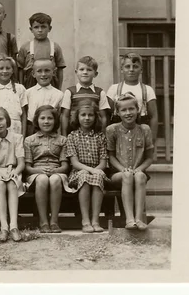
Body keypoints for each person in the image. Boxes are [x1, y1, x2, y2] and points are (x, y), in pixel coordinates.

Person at [106, 93, 154, 231]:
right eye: (124, 110)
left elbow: (150, 157)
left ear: (137, 109)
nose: (128, 113)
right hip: (118, 174)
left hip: (138, 172)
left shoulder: (144, 129)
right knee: (127, 175)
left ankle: (139, 219)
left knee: (139, 176)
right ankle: (129, 219)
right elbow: (111, 156)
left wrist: (140, 168)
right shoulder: (112, 130)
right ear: (118, 112)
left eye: (131, 109)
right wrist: (122, 169)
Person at [24, 105, 74, 233]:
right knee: (42, 179)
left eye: (50, 118)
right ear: (37, 120)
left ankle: (54, 220)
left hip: (57, 171)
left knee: (55, 180)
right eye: (42, 118)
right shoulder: (29, 140)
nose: (46, 121)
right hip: (36, 173)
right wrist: (39, 171)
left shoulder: (62, 140)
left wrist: (55, 171)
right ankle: (43, 221)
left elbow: (65, 166)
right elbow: (28, 167)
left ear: (55, 120)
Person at [66, 101, 109, 233]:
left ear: (95, 117)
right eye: (83, 115)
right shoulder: (72, 136)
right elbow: (74, 162)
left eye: (90, 115)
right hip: (78, 173)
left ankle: (95, 220)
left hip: (97, 171)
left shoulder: (100, 136)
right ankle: (85, 220)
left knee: (96, 177)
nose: (87, 118)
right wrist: (91, 170)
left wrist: (97, 170)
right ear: (77, 117)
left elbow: (103, 161)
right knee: (85, 176)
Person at [0, 106, 25, 242]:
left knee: (12, 183)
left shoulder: (17, 138)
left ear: (7, 120)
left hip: (13, 171)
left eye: (1, 119)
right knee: (1, 184)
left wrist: (14, 173)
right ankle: (4, 227)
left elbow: (21, 164)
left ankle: (14, 226)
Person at [106, 52, 159, 145]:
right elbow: (107, 115)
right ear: (122, 69)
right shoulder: (114, 89)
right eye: (127, 66)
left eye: (135, 66)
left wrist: (152, 139)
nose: (131, 70)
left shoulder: (147, 90)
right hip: (119, 133)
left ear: (141, 70)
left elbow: (154, 117)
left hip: (140, 132)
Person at [60, 56, 110, 136]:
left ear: (95, 74)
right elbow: (65, 116)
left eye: (89, 70)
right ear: (76, 72)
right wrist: (64, 135)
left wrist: (103, 134)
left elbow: (103, 117)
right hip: (74, 134)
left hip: (94, 135)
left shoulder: (100, 92)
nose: (85, 72)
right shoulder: (70, 92)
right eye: (82, 69)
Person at [16, 12, 65, 89]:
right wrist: (22, 88)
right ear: (31, 29)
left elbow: (60, 69)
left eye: (43, 27)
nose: (40, 30)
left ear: (49, 28)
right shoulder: (25, 47)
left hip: (51, 85)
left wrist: (59, 88)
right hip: (30, 85)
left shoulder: (55, 47)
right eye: (36, 27)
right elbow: (20, 69)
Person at [0, 56, 27, 135]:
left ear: (13, 70)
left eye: (8, 68)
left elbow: (23, 114)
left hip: (16, 128)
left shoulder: (20, 88)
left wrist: (23, 135)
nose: (5, 71)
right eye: (1, 68)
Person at [25, 59, 64, 136]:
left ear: (54, 72)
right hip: (32, 130)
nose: (43, 74)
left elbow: (60, 117)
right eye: (39, 71)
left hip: (51, 129)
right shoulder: (28, 93)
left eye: (47, 70)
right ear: (33, 74)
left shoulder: (59, 94)